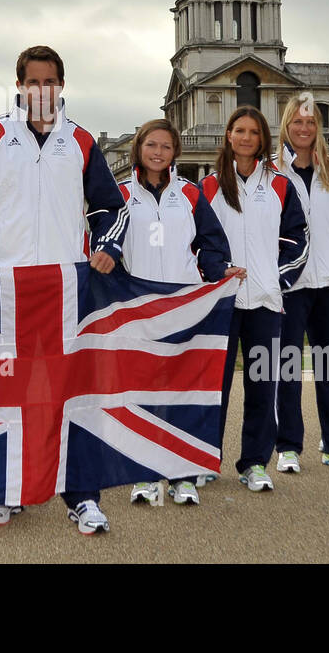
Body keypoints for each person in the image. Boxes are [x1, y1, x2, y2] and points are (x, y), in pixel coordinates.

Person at [0, 45, 129, 536]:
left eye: (50, 82)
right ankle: (4, 490)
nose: (42, 90)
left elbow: (111, 206)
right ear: (19, 85)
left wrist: (108, 245)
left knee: (72, 393)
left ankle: (82, 497)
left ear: (61, 86)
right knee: (6, 390)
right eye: (33, 82)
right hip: (6, 285)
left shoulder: (81, 141)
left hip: (67, 288)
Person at [119, 119, 243, 507]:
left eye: (166, 147)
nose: (158, 152)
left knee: (179, 392)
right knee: (140, 393)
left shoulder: (189, 193)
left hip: (183, 304)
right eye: (151, 145)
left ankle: (182, 474)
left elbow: (210, 241)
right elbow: (102, 244)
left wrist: (218, 270)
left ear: (176, 153)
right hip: (137, 306)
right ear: (139, 148)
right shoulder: (120, 193)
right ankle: (143, 474)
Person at [202, 106, 307, 493]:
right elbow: (199, 243)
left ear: (263, 139)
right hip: (222, 304)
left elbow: (297, 239)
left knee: (262, 385)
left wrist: (275, 277)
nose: (246, 137)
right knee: (216, 388)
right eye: (239, 130)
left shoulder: (280, 185)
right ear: (228, 136)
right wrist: (216, 273)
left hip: (266, 302)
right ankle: (205, 460)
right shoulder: (209, 187)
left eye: (253, 132)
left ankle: (254, 463)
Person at [273, 95, 329, 474]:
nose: (304, 129)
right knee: (288, 368)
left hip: (328, 283)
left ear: (318, 128)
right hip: (289, 287)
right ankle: (289, 447)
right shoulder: (272, 172)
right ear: (287, 126)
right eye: (297, 122)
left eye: (310, 123)